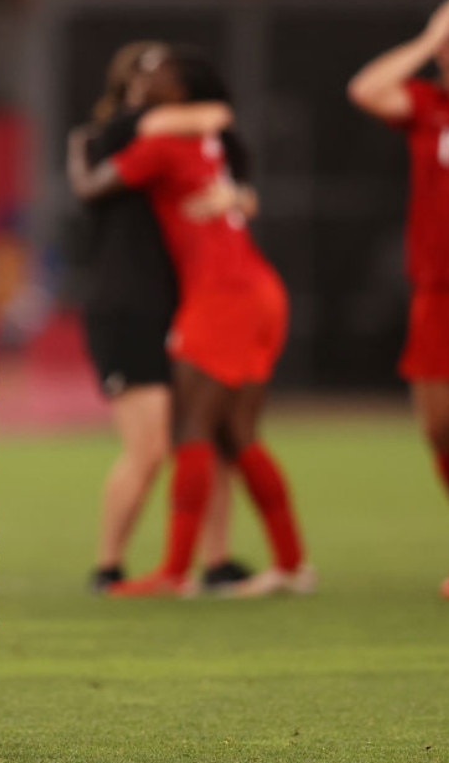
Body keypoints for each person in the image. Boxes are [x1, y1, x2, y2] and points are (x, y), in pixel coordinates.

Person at [68, 46, 313, 598]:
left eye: (160, 73)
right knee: (237, 436)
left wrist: (82, 155)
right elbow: (219, 124)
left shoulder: (157, 144)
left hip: (222, 294)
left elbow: (92, 187)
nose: (149, 78)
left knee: (193, 434)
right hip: (258, 288)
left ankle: (175, 573)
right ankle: (292, 566)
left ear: (181, 93)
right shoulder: (205, 140)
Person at [348, 0, 449, 599]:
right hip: (436, 290)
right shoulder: (427, 106)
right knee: (441, 431)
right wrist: (430, 37)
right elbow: (367, 88)